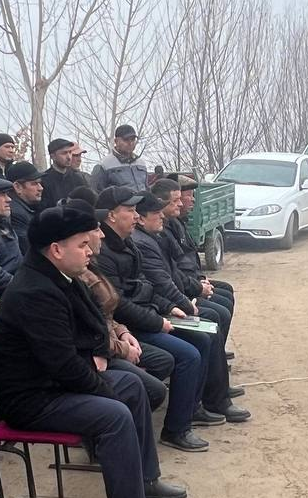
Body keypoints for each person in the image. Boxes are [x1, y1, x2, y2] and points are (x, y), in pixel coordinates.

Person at [0, 204, 185, 498]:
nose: (90, 250)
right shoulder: (35, 291)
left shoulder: (61, 277)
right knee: (114, 414)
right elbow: (62, 365)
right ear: (56, 249)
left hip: (54, 384)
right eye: (82, 244)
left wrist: (103, 354)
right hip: (32, 400)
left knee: (134, 387)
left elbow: (94, 326)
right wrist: (103, 386)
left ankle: (145, 480)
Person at [95, 185, 248, 432]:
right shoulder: (106, 253)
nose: (135, 215)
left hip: (147, 315)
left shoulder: (127, 243)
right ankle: (177, 428)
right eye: (130, 210)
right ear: (111, 215)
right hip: (132, 326)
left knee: (205, 332)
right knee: (190, 352)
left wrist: (170, 306)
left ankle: (201, 404)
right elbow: (120, 304)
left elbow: (149, 284)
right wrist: (160, 319)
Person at [69, 197, 174, 412]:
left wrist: (122, 332)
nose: (102, 234)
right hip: (101, 350)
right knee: (152, 384)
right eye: (96, 230)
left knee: (163, 363)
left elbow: (109, 311)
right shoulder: (80, 274)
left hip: (116, 335)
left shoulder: (94, 264)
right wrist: (122, 348)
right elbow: (93, 325)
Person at [133, 192, 235, 350]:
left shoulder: (158, 234)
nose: (162, 216)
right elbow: (161, 283)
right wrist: (186, 301)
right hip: (158, 309)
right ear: (141, 219)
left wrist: (199, 281)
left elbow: (178, 265)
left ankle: (218, 355)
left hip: (172, 299)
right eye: (157, 212)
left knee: (220, 306)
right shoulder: (144, 242)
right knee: (207, 328)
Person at [154, 178, 237, 335]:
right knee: (218, 312)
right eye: (187, 195)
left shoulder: (175, 223)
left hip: (184, 286)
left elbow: (185, 261)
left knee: (226, 293)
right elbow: (174, 272)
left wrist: (200, 279)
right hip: (178, 294)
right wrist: (196, 288)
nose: (191, 200)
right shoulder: (161, 233)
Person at [91, 123, 149, 193]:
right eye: (126, 140)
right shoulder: (104, 165)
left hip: (143, 199)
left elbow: (147, 188)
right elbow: (96, 193)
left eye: (133, 139)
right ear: (116, 141)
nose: (130, 143)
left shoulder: (141, 163)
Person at [39, 137, 89, 209]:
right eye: (64, 153)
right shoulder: (44, 181)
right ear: (53, 156)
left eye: (70, 152)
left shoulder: (78, 179)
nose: (69, 157)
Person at [7, 160, 44, 254]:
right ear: (17, 187)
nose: (40, 188)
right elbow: (29, 249)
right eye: (34, 183)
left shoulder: (29, 208)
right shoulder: (16, 213)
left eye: (40, 183)